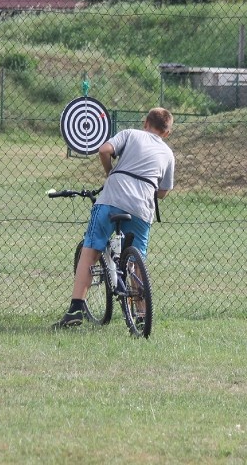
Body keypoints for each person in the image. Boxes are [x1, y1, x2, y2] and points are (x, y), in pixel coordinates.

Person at [52, 107, 175, 329]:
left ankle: (75, 310)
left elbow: (103, 150)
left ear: (145, 123)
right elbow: (164, 191)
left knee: (91, 250)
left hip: (112, 198)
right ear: (167, 133)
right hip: (141, 208)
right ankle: (140, 313)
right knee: (137, 263)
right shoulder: (168, 153)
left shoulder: (130, 134)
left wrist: (111, 173)